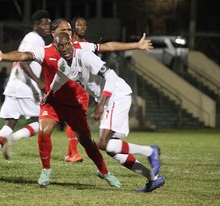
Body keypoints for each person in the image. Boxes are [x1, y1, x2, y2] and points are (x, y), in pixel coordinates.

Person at [0, 18, 153, 187]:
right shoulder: (44, 51)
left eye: (70, 30)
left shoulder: (81, 48)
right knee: (44, 130)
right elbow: (23, 55)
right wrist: (4, 56)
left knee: (87, 141)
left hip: (75, 103)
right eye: (63, 30)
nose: (68, 33)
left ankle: (104, 172)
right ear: (53, 34)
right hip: (53, 101)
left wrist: (136, 45)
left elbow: (108, 47)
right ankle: (46, 171)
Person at [44, 32, 165, 193]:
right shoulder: (62, 64)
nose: (65, 48)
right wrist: (49, 94)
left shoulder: (85, 56)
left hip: (116, 95)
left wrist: (101, 105)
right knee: (112, 150)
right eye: (60, 45)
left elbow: (111, 76)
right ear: (56, 47)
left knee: (102, 143)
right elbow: (58, 79)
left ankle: (151, 151)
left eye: (67, 44)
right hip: (110, 100)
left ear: (72, 44)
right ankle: (153, 178)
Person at [0, 10, 51, 174]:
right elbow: (22, 60)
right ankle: (13, 138)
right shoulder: (35, 38)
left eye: (49, 23)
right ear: (36, 25)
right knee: (44, 123)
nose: (47, 26)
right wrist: (38, 81)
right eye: (44, 23)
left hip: (13, 85)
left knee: (10, 123)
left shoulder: (30, 38)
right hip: (25, 88)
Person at [63, 17, 88, 162]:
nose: (83, 28)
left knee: (78, 121)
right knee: (74, 121)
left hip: (84, 87)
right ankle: (74, 153)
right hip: (72, 87)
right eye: (79, 25)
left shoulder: (86, 44)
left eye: (85, 25)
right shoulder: (67, 44)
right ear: (73, 28)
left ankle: (69, 154)